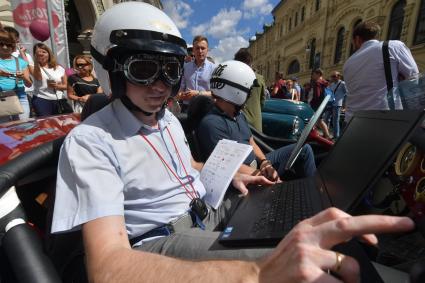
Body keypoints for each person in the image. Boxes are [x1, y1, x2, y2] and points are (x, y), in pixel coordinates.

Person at [51, 3, 415, 283]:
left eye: (171, 70)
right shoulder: (90, 141)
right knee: (309, 256)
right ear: (111, 68)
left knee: (310, 212)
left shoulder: (166, 121)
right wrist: (257, 274)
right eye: (144, 69)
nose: (160, 86)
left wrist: (235, 174)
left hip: (205, 209)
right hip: (159, 237)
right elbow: (109, 267)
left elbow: (181, 166)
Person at [197, 60, 316, 182]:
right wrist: (264, 177)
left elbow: (251, 143)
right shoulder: (211, 124)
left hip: (256, 166)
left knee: (304, 150)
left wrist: (265, 162)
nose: (249, 95)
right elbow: (227, 167)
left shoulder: (238, 115)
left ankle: (314, 191)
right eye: (248, 90)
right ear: (235, 91)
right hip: (243, 177)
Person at [343, 21, 419, 121]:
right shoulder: (393, 47)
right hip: (385, 119)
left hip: (352, 121)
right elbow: (414, 79)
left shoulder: (348, 63)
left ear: (357, 39)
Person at [0, 28, 32, 123]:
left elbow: (29, 84)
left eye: (9, 44)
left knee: (22, 127)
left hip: (20, 97)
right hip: (2, 98)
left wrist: (23, 77)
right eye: (1, 44)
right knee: (3, 130)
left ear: (13, 46)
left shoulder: (21, 62)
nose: (5, 47)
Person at [177, 35, 215, 112]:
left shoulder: (214, 68)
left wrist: (197, 93)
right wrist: (181, 95)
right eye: (197, 48)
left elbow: (215, 94)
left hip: (207, 108)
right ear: (193, 50)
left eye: (203, 48)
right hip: (187, 108)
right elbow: (180, 90)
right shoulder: (186, 67)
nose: (200, 51)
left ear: (207, 50)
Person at [31, 43, 68, 117]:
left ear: (49, 54)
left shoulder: (59, 68)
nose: (41, 54)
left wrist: (57, 86)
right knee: (46, 124)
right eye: (38, 53)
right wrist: (36, 61)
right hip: (42, 99)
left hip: (59, 99)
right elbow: (38, 77)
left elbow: (67, 86)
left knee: (62, 123)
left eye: (44, 52)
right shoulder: (34, 67)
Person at [234, 48, 266, 132]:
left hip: (238, 122)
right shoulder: (259, 78)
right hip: (256, 122)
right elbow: (262, 101)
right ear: (250, 62)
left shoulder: (233, 77)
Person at [310, 68, 332, 139]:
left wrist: (311, 101)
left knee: (315, 119)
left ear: (318, 74)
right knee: (319, 120)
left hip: (317, 104)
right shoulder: (325, 82)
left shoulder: (317, 82)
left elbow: (317, 95)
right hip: (324, 103)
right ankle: (326, 135)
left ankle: (321, 134)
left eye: (313, 74)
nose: (312, 76)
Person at [328, 71, 347, 139]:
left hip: (338, 104)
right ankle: (326, 134)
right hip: (331, 103)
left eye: (334, 76)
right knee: (326, 118)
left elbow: (346, 94)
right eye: (332, 76)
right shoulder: (332, 84)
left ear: (338, 76)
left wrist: (344, 105)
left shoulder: (342, 83)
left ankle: (336, 136)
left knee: (335, 120)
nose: (332, 78)